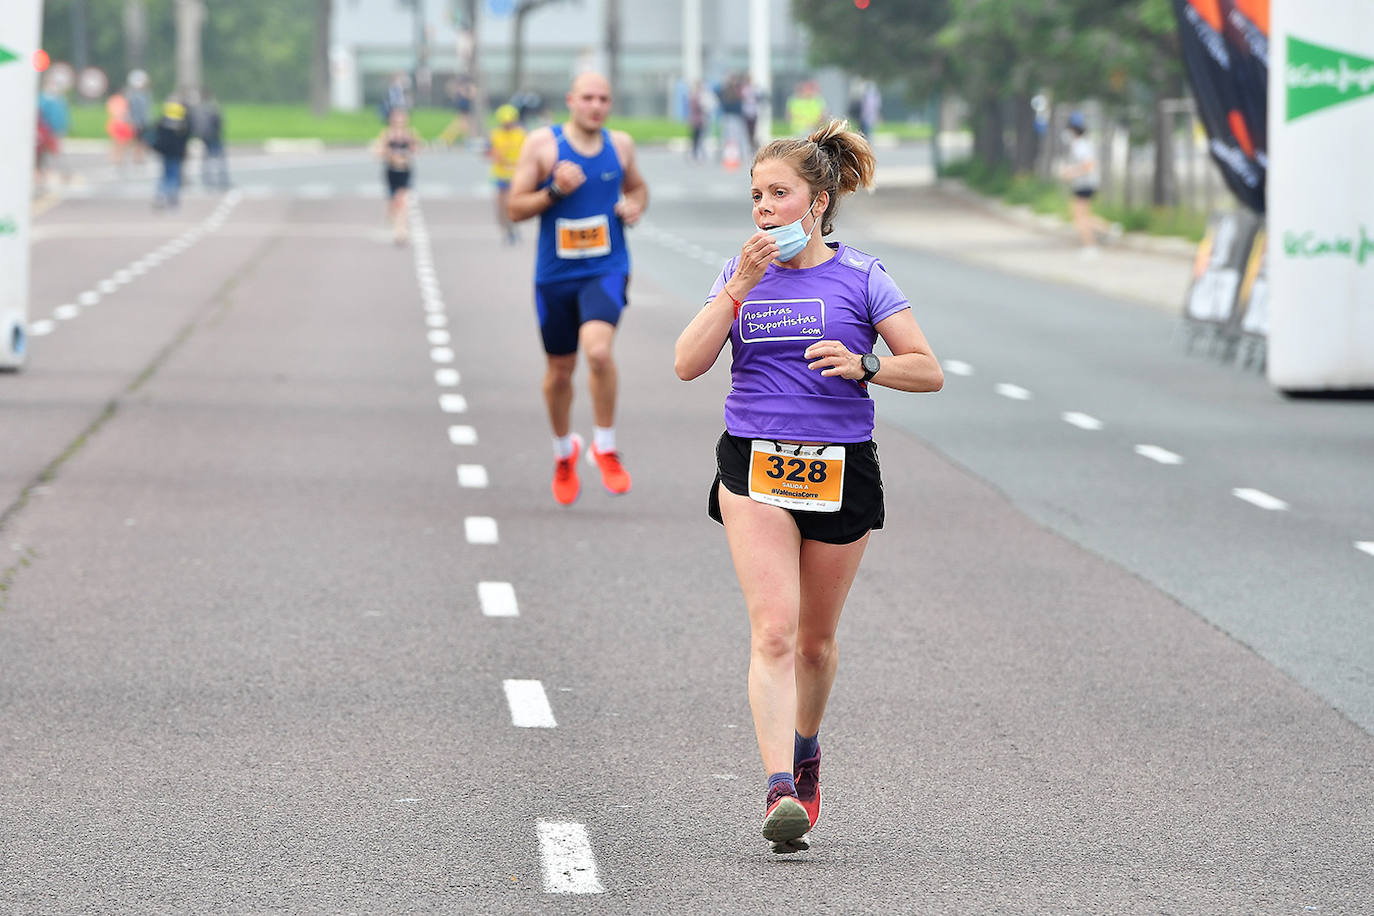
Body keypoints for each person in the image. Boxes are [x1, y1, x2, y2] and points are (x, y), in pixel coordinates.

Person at [673, 119, 943, 854]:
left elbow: (928, 368)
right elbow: (686, 363)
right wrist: (737, 290)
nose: (763, 208)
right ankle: (778, 789)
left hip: (839, 467)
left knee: (817, 648)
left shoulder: (862, 277)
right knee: (774, 632)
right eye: (756, 195)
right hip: (753, 464)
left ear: (818, 202)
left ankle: (806, 748)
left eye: (779, 194)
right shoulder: (739, 279)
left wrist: (867, 366)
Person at [506, 71, 648, 505]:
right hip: (554, 277)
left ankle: (603, 446)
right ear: (571, 100)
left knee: (599, 352)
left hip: (606, 268)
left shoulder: (620, 145)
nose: (596, 106)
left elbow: (639, 188)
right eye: (588, 97)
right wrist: (553, 190)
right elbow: (514, 207)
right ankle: (564, 451)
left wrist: (634, 206)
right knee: (559, 372)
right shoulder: (543, 146)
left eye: (603, 98)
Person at [1059, 111, 1113, 256]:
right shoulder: (1082, 143)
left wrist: (1070, 173)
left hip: (1085, 184)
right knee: (1083, 215)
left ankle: (1090, 246)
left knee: (1079, 217)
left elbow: (1089, 165)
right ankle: (1108, 229)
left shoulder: (1080, 145)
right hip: (1086, 183)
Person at [373, 107, 420, 244]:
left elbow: (416, 149)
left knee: (403, 200)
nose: (399, 121)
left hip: (405, 171)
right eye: (396, 118)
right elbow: (379, 151)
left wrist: (406, 155)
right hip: (391, 171)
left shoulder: (410, 134)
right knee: (393, 201)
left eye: (402, 118)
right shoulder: (388, 134)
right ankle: (392, 217)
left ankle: (401, 231)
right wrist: (390, 155)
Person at [487, 103, 526, 244]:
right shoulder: (495, 134)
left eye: (510, 122)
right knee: (501, 204)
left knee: (513, 203)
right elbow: (488, 152)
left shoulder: (521, 134)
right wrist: (493, 154)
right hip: (500, 175)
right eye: (505, 123)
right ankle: (504, 229)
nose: (508, 125)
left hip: (516, 175)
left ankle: (514, 227)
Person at [151, 100, 191, 209]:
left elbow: (157, 135)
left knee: (165, 175)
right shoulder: (183, 124)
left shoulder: (163, 122)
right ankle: (172, 199)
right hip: (177, 153)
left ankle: (160, 195)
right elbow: (185, 140)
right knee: (174, 176)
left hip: (165, 152)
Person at [194, 90, 230, 189]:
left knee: (207, 160)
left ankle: (207, 179)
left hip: (205, 137)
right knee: (220, 160)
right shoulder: (213, 107)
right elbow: (220, 121)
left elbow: (196, 124)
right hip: (215, 136)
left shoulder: (199, 109)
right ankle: (222, 180)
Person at [126, 70, 153, 164]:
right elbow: (131, 110)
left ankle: (141, 158)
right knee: (137, 141)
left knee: (143, 141)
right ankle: (136, 158)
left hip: (144, 122)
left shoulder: (146, 95)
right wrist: (133, 122)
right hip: (137, 122)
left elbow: (147, 110)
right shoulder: (133, 96)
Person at [105, 90, 136, 170]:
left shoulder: (112, 100)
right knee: (121, 142)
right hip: (121, 123)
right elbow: (126, 112)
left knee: (117, 142)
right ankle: (118, 158)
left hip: (115, 123)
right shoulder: (123, 100)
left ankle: (116, 158)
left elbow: (110, 110)